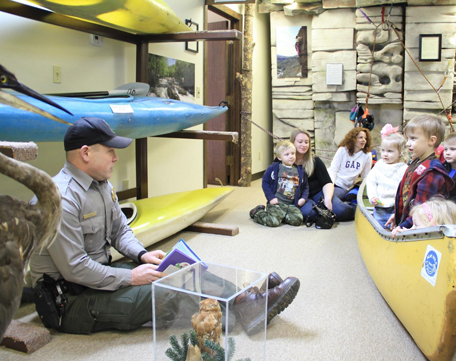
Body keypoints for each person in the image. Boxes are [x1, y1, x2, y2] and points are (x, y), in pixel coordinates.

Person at [29, 117, 299, 335]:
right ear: (85, 153)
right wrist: (132, 277)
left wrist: (141, 255)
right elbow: (75, 269)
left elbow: (120, 232)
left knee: (179, 269)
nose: (116, 158)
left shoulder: (101, 185)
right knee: (169, 291)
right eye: (110, 150)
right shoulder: (59, 199)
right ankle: (243, 311)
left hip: (100, 275)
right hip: (71, 300)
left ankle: (245, 298)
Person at [388, 114, 454, 235]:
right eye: (407, 139)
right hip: (409, 222)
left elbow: (421, 207)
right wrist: (398, 216)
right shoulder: (417, 162)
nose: (408, 143)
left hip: (419, 229)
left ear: (432, 140)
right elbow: (407, 196)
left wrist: (404, 225)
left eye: (413, 138)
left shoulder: (431, 172)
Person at [250, 140, 308, 227]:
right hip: (277, 203)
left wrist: (303, 198)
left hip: (290, 205)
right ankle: (257, 212)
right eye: (287, 154)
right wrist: (271, 198)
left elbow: (306, 186)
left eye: (293, 153)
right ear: (279, 157)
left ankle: (280, 216)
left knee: (298, 219)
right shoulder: (274, 168)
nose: (291, 156)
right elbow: (265, 182)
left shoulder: (300, 170)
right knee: (273, 222)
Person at [365, 124, 408, 228]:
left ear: (400, 153)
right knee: (379, 228)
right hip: (380, 206)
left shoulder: (403, 168)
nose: (385, 154)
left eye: (390, 151)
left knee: (396, 229)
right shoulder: (378, 166)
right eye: (383, 150)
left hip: (396, 207)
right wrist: (372, 196)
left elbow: (406, 187)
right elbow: (371, 182)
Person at [290, 128, 335, 223]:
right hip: (299, 198)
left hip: (317, 192)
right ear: (293, 142)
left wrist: (327, 199)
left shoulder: (315, 160)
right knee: (311, 214)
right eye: (300, 141)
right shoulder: (283, 160)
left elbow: (327, 182)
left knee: (342, 211)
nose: (304, 145)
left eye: (306, 142)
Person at [328, 126, 372, 221]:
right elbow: (333, 170)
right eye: (360, 137)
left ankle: (348, 208)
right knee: (328, 198)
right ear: (353, 138)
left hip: (349, 188)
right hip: (337, 185)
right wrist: (330, 187)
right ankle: (345, 208)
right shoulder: (342, 150)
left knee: (337, 206)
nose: (363, 140)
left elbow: (366, 176)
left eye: (365, 138)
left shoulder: (367, 155)